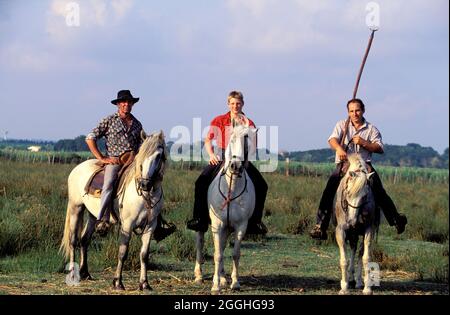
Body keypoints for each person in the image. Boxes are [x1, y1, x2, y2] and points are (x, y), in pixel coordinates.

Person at [309, 98, 408, 240]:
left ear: (363, 110)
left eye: (357, 110)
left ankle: (395, 219)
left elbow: (379, 148)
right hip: (345, 164)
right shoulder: (342, 125)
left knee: (377, 187)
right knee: (330, 187)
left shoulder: (371, 129)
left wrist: (364, 143)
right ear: (348, 112)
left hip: (363, 165)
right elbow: (332, 139)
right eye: (351, 111)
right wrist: (339, 149)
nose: (354, 114)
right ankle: (320, 226)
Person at [85, 89, 176, 241]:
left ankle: (157, 224)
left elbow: (143, 145)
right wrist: (102, 157)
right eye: (123, 102)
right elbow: (90, 138)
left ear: (132, 104)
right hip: (115, 161)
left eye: (129, 102)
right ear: (118, 104)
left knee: (153, 183)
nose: (126, 104)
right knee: (108, 185)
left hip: (133, 162)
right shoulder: (109, 120)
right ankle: (102, 219)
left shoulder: (137, 124)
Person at [186, 91, 268, 235]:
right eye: (232, 103)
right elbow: (207, 140)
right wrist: (211, 155)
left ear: (242, 104)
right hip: (222, 156)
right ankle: (199, 218)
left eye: (238, 103)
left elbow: (254, 143)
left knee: (262, 185)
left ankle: (255, 222)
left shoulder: (249, 123)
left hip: (242, 158)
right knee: (201, 182)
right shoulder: (219, 120)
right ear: (228, 104)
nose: (235, 106)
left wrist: (247, 158)